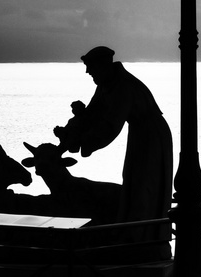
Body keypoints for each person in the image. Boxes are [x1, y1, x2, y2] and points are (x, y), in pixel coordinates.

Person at [54, 47, 173, 236]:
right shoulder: (106, 84)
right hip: (139, 133)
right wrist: (71, 131)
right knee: (133, 180)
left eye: (90, 68)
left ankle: (144, 236)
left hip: (152, 136)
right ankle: (135, 232)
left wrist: (86, 143)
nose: (87, 72)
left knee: (144, 184)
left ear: (102, 66)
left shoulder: (123, 86)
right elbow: (93, 113)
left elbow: (110, 126)